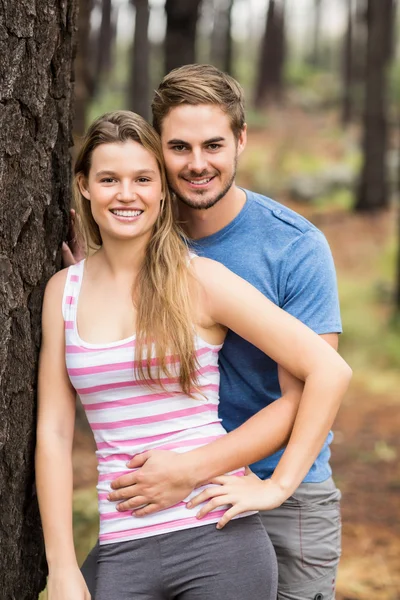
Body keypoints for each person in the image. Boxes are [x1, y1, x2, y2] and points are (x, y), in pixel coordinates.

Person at [62, 66, 348, 600]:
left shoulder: (293, 247)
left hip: (277, 488)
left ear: (241, 139)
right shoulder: (137, 228)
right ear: (156, 149)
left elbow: (313, 385)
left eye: (214, 145)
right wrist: (100, 275)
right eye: (179, 147)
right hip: (162, 503)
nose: (197, 165)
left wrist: (247, 479)